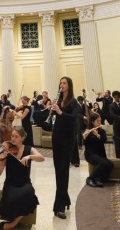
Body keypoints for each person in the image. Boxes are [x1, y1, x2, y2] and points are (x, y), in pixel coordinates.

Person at [0, 126, 44, 230]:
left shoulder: (29, 149)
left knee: (30, 194)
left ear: (22, 138)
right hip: (10, 184)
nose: (13, 138)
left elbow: (42, 158)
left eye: (16, 136)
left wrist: (30, 156)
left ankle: (13, 223)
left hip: (25, 183)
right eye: (12, 136)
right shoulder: (6, 151)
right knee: (10, 197)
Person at [51, 76, 78, 219]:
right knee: (58, 170)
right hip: (56, 136)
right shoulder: (58, 100)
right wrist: (52, 110)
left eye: (64, 83)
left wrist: (60, 112)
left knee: (63, 171)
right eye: (60, 83)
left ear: (69, 85)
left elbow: (74, 118)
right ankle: (65, 198)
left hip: (67, 138)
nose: (62, 85)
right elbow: (56, 118)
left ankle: (59, 206)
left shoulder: (73, 102)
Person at [83, 113, 114, 187]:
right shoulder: (88, 131)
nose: (100, 123)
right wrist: (84, 137)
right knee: (103, 163)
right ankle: (90, 178)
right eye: (98, 121)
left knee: (110, 164)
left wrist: (98, 135)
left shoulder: (102, 131)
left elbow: (104, 140)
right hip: (90, 154)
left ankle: (99, 179)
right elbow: (85, 143)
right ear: (93, 122)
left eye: (100, 121)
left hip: (100, 154)